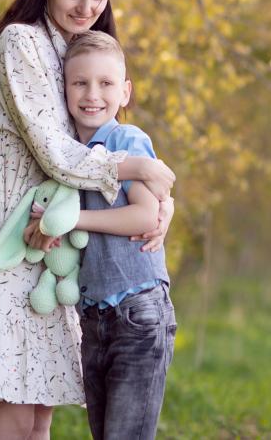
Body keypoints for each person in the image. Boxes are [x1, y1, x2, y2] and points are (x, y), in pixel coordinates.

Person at [0, 0, 175, 440]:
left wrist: (158, 198)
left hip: (55, 238)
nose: (86, 5)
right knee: (15, 412)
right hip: (11, 227)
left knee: (39, 413)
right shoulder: (21, 42)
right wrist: (139, 169)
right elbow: (57, 152)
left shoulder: (75, 49)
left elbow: (107, 137)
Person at [63, 31, 175, 440]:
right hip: (94, 319)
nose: (93, 94)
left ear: (125, 91)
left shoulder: (126, 140)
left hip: (138, 312)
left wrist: (73, 220)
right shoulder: (68, 154)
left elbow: (145, 216)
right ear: (65, 89)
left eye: (106, 83)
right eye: (80, 83)